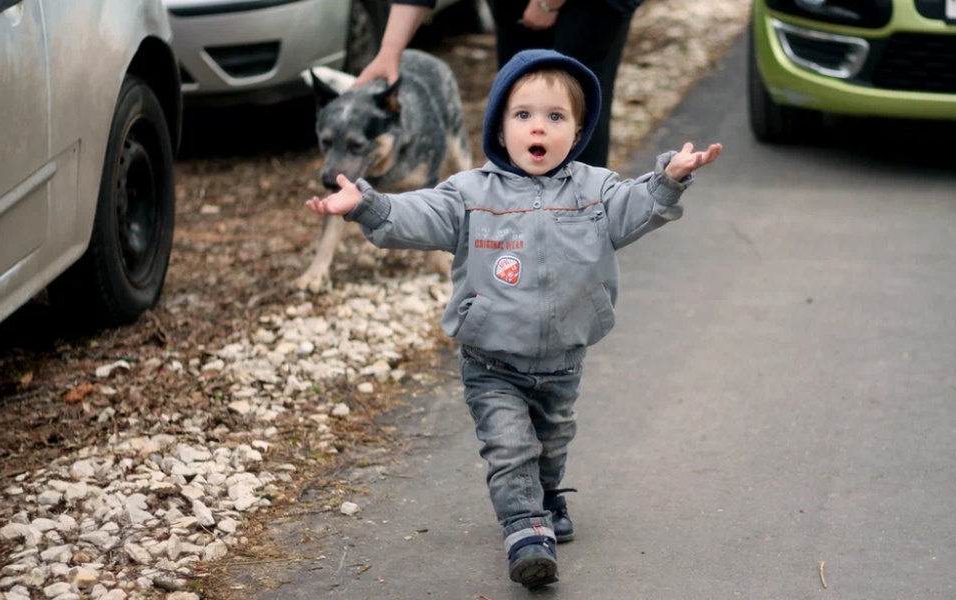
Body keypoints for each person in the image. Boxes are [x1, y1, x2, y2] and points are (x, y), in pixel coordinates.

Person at [308, 49, 721, 588]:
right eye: (523, 115)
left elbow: (637, 206)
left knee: (550, 445)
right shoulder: (470, 194)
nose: (539, 128)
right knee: (510, 448)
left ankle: (546, 497)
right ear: (500, 130)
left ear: (577, 131)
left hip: (564, 358)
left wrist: (667, 179)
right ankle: (526, 533)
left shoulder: (595, 191)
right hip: (491, 360)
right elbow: (417, 214)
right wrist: (366, 204)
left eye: (556, 117)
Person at [354, 0, 643, 168]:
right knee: (519, 97)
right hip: (515, 6)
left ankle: (582, 230)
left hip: (593, 6)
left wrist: (548, 3)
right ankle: (522, 226)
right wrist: (390, 51)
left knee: (573, 97)